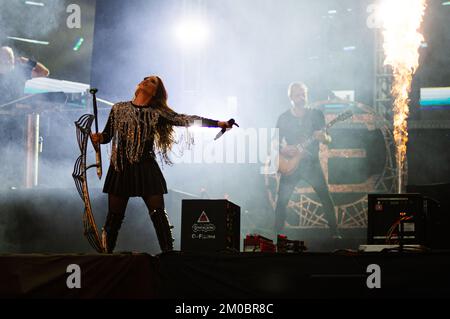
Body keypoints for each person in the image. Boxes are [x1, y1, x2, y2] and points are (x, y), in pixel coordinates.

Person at [91, 75, 234, 253]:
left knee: (158, 214)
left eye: (152, 81)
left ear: (155, 92)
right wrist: (98, 138)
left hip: (146, 166)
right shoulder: (118, 108)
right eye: (145, 78)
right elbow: (107, 136)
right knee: (114, 217)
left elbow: (187, 120)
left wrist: (217, 123)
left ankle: (168, 256)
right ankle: (105, 257)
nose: (146, 81)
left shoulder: (157, 113)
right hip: (121, 167)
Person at [274, 82, 340, 239]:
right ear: (290, 97)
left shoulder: (316, 115)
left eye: (303, 94)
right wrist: (283, 149)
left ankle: (335, 234)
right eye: (297, 94)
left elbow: (328, 139)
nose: (301, 97)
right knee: (282, 200)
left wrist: (323, 137)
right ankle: (276, 235)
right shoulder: (283, 118)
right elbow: (274, 142)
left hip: (312, 165)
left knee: (325, 197)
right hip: (291, 165)